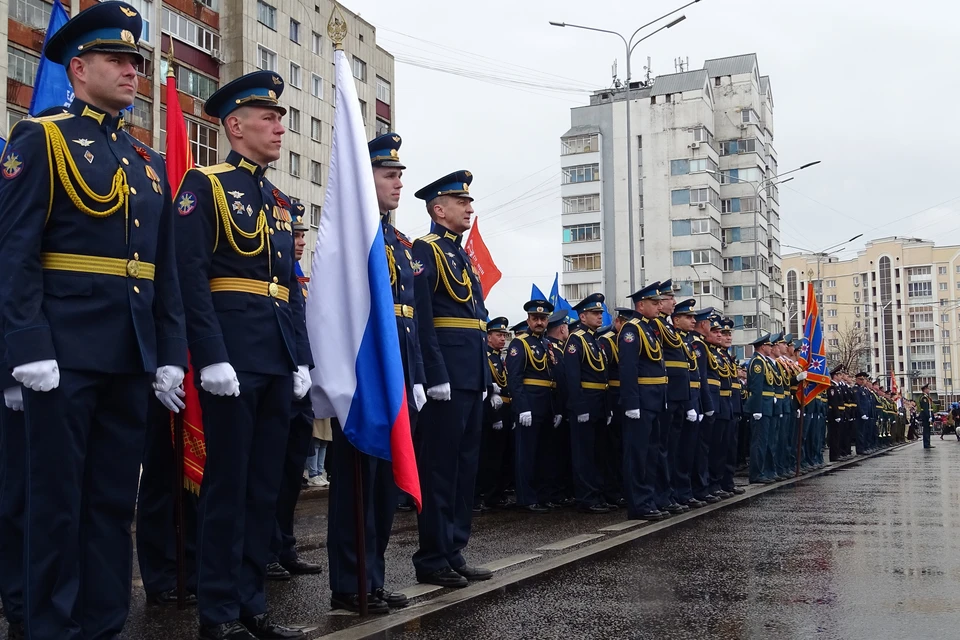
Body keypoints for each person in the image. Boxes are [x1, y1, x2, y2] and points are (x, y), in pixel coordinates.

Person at [0, 4, 188, 638]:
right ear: (77, 69)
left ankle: (103, 624)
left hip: (129, 355)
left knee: (112, 504)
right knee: (54, 503)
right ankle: (47, 627)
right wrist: (26, 344)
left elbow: (161, 270)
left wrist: (168, 352)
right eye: (117, 60)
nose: (131, 71)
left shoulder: (146, 162)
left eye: (135, 60)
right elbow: (16, 251)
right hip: (63, 352)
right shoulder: (42, 137)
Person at [175, 70, 312, 640]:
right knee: (227, 487)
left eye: (280, 118)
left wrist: (300, 358)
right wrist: (210, 355)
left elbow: (290, 285)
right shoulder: (203, 184)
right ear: (235, 125)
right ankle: (219, 611)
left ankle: (253, 601)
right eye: (269, 118)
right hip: (231, 356)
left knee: (265, 487)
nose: (280, 128)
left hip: (276, 356)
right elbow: (190, 273)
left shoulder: (278, 199)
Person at [326, 133, 425, 612]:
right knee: (355, 487)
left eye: (400, 175)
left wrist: (419, 376)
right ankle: (350, 582)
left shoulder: (398, 243)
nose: (399, 183)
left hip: (395, 372)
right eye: (389, 175)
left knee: (384, 488)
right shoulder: (348, 240)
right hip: (362, 375)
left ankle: (375, 576)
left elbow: (412, 319)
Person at [411, 171, 491, 588]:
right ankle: (432, 556)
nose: (469, 209)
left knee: (464, 470)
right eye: (462, 203)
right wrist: (434, 373)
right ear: (439, 209)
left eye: (469, 202)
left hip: (470, 375)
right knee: (440, 470)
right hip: (447, 378)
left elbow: (474, 321)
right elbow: (424, 317)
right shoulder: (425, 250)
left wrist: (486, 376)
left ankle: (453, 549)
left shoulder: (459, 255)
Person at [267, 211, 323, 582]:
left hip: (300, 388)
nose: (300, 241)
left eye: (303, 236)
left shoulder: (302, 284)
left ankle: (285, 546)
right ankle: (267, 549)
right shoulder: (276, 281)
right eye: (295, 235)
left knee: (291, 476)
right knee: (269, 476)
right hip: (275, 381)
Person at [618, 283, 668, 521]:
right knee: (638, 454)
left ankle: (651, 499)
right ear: (641, 305)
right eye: (655, 303)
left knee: (652, 453)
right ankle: (639, 503)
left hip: (655, 399)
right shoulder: (632, 329)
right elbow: (628, 368)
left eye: (659, 302)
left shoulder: (650, 329)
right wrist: (631, 403)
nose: (659, 306)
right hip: (641, 401)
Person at [505, 300, 556, 513]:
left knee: (544, 454)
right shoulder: (520, 343)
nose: (539, 322)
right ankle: (526, 497)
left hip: (546, 404)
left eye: (543, 319)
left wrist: (556, 409)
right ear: (528, 320)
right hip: (530, 405)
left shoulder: (546, 344)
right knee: (527, 453)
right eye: (535, 318)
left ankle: (542, 495)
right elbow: (514, 378)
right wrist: (522, 407)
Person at [652, 281, 695, 514]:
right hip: (667, 395)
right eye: (670, 299)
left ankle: (672, 493)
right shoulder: (657, 327)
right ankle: (663, 495)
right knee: (663, 449)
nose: (673, 303)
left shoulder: (669, 329)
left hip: (679, 396)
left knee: (675, 449)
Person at [564, 293, 610, 513]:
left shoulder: (595, 340)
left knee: (599, 452)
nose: (599, 316)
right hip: (585, 403)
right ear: (582, 316)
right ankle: (586, 497)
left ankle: (598, 493)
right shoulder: (576, 340)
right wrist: (579, 406)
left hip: (599, 401)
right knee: (584, 453)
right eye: (594, 313)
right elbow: (572, 377)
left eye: (600, 313)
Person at [475, 317, 513, 511]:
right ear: (488, 337)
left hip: (504, 411)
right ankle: (484, 495)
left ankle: (495, 495)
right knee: (488, 458)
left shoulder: (499, 357)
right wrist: (495, 417)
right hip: (491, 414)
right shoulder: (485, 357)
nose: (502, 339)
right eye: (498, 335)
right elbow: (488, 391)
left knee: (500, 457)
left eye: (504, 335)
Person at [746, 334, 776, 484]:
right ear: (763, 347)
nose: (771, 348)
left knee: (765, 440)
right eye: (769, 345)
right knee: (759, 441)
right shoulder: (757, 362)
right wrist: (756, 408)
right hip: (761, 406)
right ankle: (756, 473)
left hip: (767, 405)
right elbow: (756, 387)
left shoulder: (763, 362)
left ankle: (764, 470)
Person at [919, 384, 934, 449]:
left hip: (928, 415)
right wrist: (929, 416)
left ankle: (928, 443)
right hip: (926, 416)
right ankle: (926, 444)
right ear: (925, 390)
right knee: (926, 430)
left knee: (928, 430)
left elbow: (930, 408)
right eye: (928, 389)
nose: (929, 390)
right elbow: (925, 409)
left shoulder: (927, 397)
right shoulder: (924, 398)